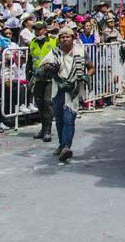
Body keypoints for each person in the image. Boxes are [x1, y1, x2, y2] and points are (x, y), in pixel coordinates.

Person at [41, 27, 94, 162]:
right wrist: (48, 68)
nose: (64, 39)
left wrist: (86, 77)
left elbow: (91, 67)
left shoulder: (81, 52)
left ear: (73, 38)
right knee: (59, 119)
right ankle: (61, 144)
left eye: (67, 37)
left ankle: (66, 146)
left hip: (73, 89)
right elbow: (44, 67)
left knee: (69, 118)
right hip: (58, 88)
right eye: (62, 37)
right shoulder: (55, 53)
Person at [27, 21, 56, 142]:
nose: (37, 32)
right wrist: (28, 79)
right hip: (37, 77)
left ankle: (48, 130)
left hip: (50, 77)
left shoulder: (53, 41)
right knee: (39, 103)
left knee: (47, 102)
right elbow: (29, 61)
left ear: (45, 30)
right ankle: (43, 128)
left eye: (39, 29)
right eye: (35, 30)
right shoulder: (32, 43)